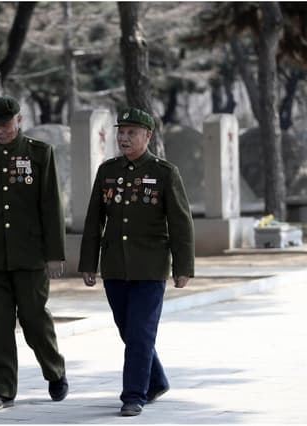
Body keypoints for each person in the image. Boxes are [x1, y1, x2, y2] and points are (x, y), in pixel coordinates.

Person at [78, 107, 195, 417]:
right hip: (115, 265)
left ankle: (133, 395)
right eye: (121, 131)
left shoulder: (164, 172)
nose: (124, 137)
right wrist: (89, 262)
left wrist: (183, 268)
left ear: (148, 136)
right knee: (128, 331)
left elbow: (181, 224)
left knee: (141, 332)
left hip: (150, 267)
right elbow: (94, 220)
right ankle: (155, 381)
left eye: (132, 132)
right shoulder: (108, 171)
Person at [0, 95, 68, 412]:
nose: (0, 132)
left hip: (30, 254)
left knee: (34, 318)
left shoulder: (40, 154)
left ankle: (55, 370)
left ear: (18, 121)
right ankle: (0, 389)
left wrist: (54, 255)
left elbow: (51, 207)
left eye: (6, 125)